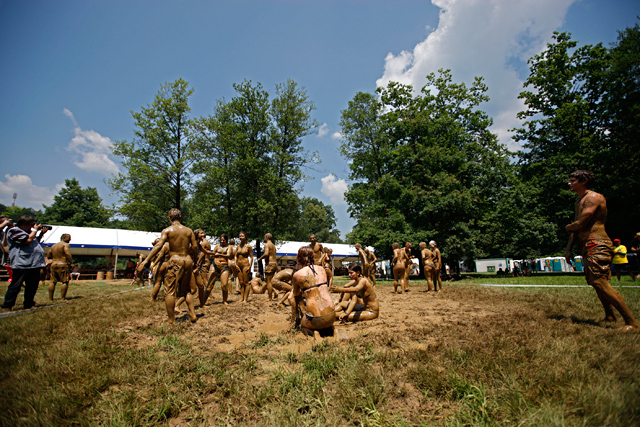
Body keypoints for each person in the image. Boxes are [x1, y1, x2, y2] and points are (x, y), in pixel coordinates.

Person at [564, 170, 639, 331]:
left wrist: (568, 226)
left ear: (583, 181)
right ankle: (610, 315)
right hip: (586, 245)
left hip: (597, 243)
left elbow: (580, 223)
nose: (569, 183)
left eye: (572, 180)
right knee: (595, 283)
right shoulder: (579, 202)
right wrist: (569, 249)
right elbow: (576, 230)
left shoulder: (593, 198)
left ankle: (632, 323)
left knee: (600, 281)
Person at [137, 209, 197, 324]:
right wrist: (195, 260)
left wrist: (146, 261)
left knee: (169, 292)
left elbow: (159, 245)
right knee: (187, 290)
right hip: (187, 260)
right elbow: (194, 247)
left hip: (175, 260)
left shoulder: (167, 230)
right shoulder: (189, 231)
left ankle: (171, 320)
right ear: (180, 217)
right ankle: (193, 315)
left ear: (169, 218)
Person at [1, 216, 49, 310]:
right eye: (30, 225)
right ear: (23, 224)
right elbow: (27, 241)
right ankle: (7, 305)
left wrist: (40, 234)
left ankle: (29, 304)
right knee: (16, 286)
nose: (32, 227)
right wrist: (35, 230)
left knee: (32, 286)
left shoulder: (29, 232)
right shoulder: (14, 231)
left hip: (33, 263)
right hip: (22, 263)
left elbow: (34, 242)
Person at [289, 246, 336, 338]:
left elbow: (291, 297)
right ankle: (333, 330)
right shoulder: (322, 269)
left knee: (303, 326)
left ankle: (314, 333)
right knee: (326, 323)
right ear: (313, 257)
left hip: (315, 319)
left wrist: (294, 317)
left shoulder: (297, 274)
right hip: (332, 316)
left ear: (299, 258)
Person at [201, 234, 232, 305]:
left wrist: (220, 255)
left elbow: (229, 255)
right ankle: (203, 302)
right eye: (221, 240)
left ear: (226, 240)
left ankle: (224, 300)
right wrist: (212, 255)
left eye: (223, 240)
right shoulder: (217, 246)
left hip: (224, 266)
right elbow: (212, 254)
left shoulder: (228, 247)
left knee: (224, 285)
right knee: (210, 285)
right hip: (215, 265)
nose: (222, 241)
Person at [48, 233, 72, 301]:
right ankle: (62, 298)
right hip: (62, 264)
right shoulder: (65, 244)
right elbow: (67, 253)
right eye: (69, 238)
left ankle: (50, 298)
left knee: (52, 282)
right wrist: (71, 263)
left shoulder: (53, 246)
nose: (70, 239)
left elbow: (49, 255)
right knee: (65, 281)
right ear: (63, 238)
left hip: (54, 264)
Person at [257, 233, 278, 301]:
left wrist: (260, 258)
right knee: (271, 281)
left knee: (268, 281)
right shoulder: (273, 246)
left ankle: (270, 298)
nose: (264, 239)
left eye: (264, 237)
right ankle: (275, 292)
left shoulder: (267, 244)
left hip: (270, 264)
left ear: (267, 237)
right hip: (275, 263)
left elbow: (266, 253)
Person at [236, 231, 254, 303]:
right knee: (241, 282)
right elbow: (235, 255)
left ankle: (245, 299)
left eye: (242, 236)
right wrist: (235, 263)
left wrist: (250, 266)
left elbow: (252, 257)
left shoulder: (248, 246)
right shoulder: (238, 246)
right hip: (238, 265)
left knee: (246, 282)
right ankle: (241, 298)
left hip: (245, 265)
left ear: (245, 237)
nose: (241, 237)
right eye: (240, 236)